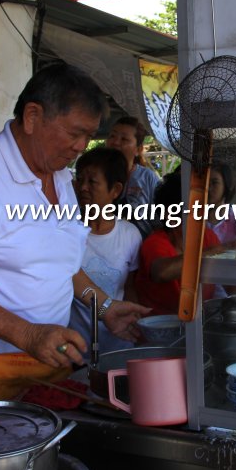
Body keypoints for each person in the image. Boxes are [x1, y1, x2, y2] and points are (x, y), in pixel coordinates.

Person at [0, 63, 150, 406]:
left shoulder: (59, 177)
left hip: (49, 356)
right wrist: (27, 334)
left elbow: (63, 263)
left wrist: (104, 307)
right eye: (75, 133)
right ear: (32, 116)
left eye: (89, 136)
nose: (81, 147)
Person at [68, 147, 142, 356]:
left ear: (115, 190)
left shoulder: (129, 235)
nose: (82, 187)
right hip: (74, 347)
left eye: (92, 182)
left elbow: (130, 287)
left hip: (118, 343)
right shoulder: (67, 231)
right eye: (79, 179)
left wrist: (135, 326)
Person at [135, 171, 225, 315]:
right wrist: (217, 251)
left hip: (199, 324)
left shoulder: (208, 236)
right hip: (162, 330)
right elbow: (162, 273)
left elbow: (228, 282)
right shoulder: (155, 242)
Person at [105, 116, 161, 238]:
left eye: (124, 139)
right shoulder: (96, 174)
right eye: (112, 136)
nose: (115, 142)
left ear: (138, 149)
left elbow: (161, 223)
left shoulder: (147, 178)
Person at [206, 163, 236, 247]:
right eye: (206, 183)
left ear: (226, 185)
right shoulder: (193, 217)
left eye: (214, 183)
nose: (208, 188)